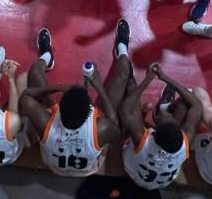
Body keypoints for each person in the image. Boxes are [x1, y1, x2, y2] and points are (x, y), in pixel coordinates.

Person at [20, 21, 131, 177]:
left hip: (54, 165)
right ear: (91, 111)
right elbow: (115, 130)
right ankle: (122, 48)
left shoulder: (45, 123)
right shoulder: (102, 128)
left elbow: (26, 95)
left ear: (58, 108)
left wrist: (59, 87)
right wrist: (98, 86)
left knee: (34, 73)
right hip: (88, 169)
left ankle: (47, 56)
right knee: (124, 71)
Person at [119, 63, 201, 190]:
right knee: (186, 102)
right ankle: (163, 108)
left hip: (132, 171)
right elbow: (196, 104)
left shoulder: (141, 139)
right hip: (161, 182)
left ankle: (159, 110)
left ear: (154, 132)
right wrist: (164, 77)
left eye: (163, 117)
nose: (167, 116)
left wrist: (147, 80)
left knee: (131, 89)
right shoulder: (186, 140)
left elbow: (124, 110)